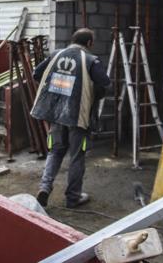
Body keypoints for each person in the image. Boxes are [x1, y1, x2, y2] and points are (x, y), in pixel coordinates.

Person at [31, 28, 110, 208]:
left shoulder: (56, 55)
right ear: (89, 43)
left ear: (72, 39)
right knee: (77, 156)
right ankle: (73, 197)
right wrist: (92, 95)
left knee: (55, 151)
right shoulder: (90, 60)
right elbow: (105, 83)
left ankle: (44, 188)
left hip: (55, 114)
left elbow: (37, 74)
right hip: (78, 117)